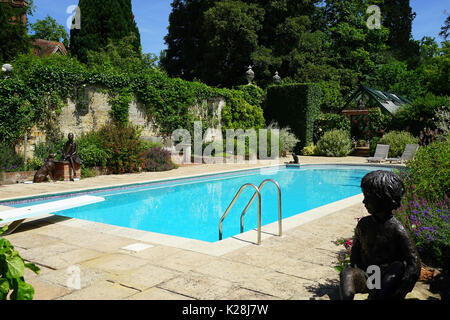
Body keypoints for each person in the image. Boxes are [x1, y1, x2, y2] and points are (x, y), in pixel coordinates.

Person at [339, 170, 421, 300]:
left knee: (397, 267)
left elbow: (414, 263)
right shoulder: (363, 224)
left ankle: (377, 296)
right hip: (369, 275)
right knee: (347, 274)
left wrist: (401, 291)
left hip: (387, 278)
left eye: (368, 197)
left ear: (383, 199)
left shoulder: (397, 229)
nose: (364, 201)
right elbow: (356, 249)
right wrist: (356, 268)